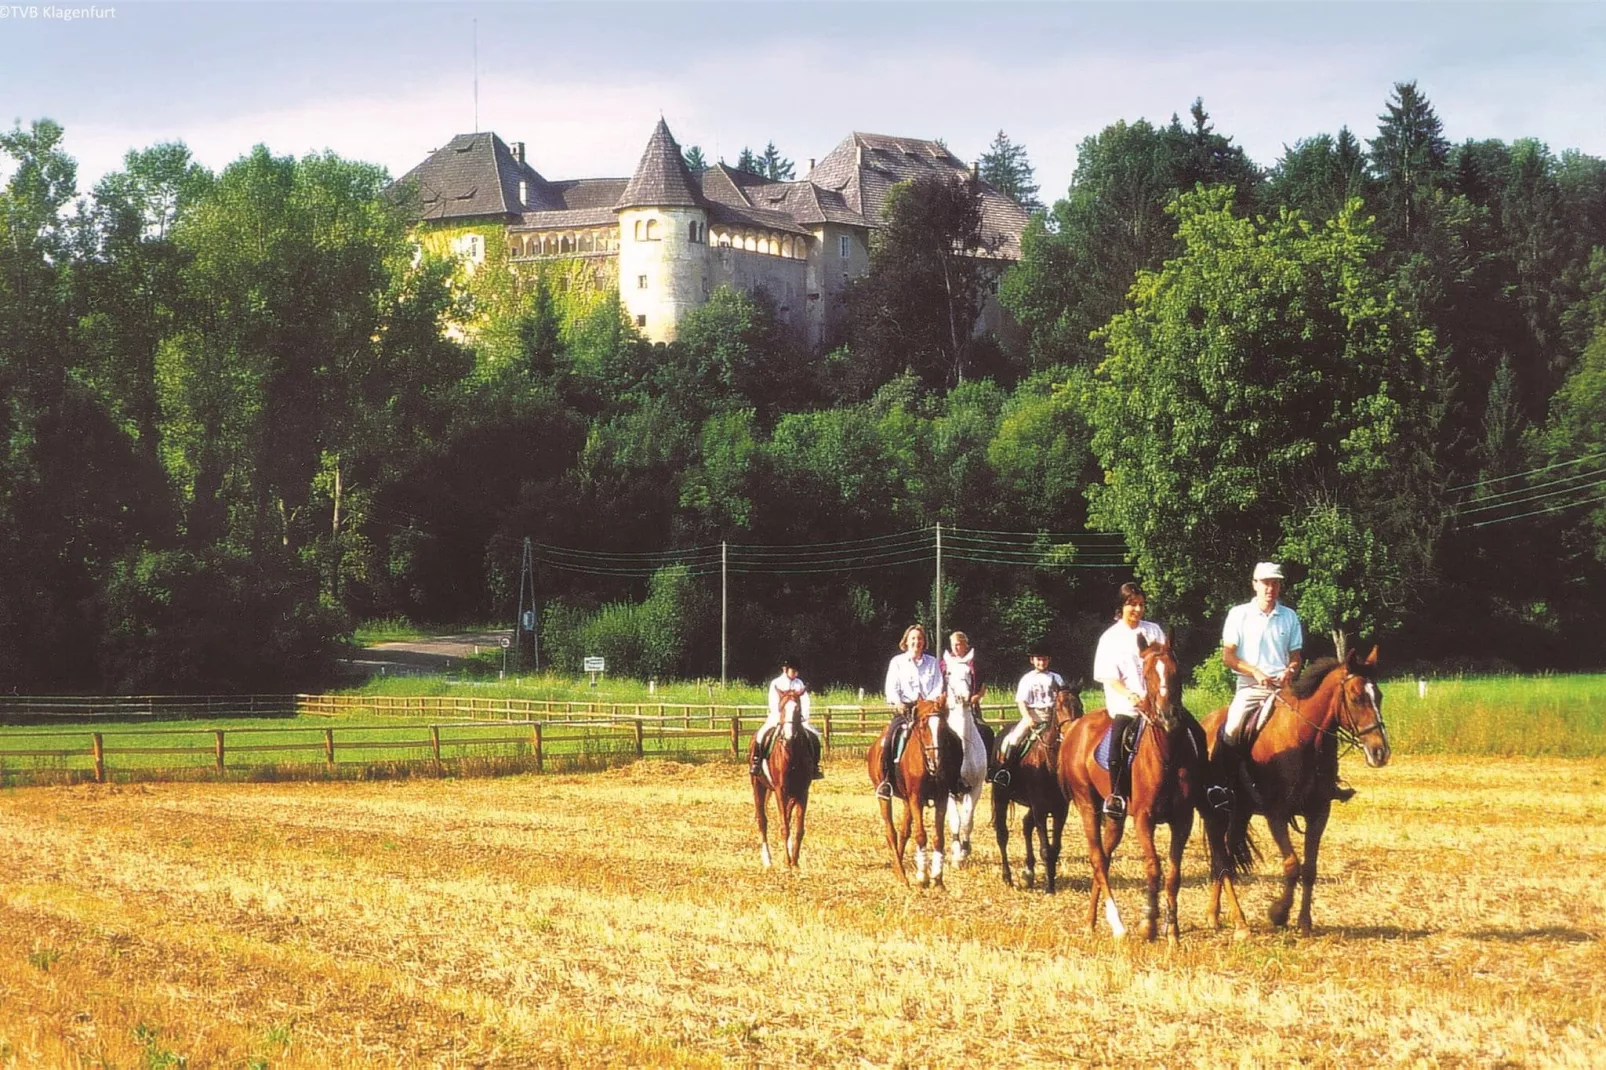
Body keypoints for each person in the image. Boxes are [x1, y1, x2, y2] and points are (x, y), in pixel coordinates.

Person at [1092, 582, 1166, 819]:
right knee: (1118, 745)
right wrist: (1130, 695)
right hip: (1127, 704)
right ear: (1121, 606)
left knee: (1192, 730)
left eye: (1141, 604)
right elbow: (1109, 677)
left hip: (1157, 702)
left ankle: (1204, 785)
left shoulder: (1153, 630)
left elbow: (1165, 662)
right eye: (1132, 604)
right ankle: (1116, 796)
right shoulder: (1110, 638)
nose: (1137, 609)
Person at [877, 623, 945, 799]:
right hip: (905, 710)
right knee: (889, 739)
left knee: (949, 736)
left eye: (920, 638)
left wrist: (928, 704)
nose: (917, 642)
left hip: (928, 710)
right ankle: (886, 781)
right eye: (913, 638)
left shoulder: (932, 662)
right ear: (906, 641)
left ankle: (955, 779)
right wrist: (897, 702)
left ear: (924, 642)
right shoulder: (897, 662)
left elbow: (938, 685)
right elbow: (891, 687)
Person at [992, 647, 1065, 787]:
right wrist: (1027, 718)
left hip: (1053, 718)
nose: (1042, 662)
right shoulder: (1027, 678)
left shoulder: (1057, 678)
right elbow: (1021, 701)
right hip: (1033, 715)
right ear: (1032, 660)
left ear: (1049, 660)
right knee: (1013, 739)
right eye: (1039, 659)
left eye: (1044, 659)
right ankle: (1005, 771)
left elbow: (1063, 700)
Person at [749, 655, 823, 779]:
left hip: (797, 719)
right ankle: (757, 762)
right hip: (778, 718)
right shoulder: (776, 683)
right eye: (793, 671)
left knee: (814, 737)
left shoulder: (799, 683)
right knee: (761, 735)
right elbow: (773, 702)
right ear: (785, 669)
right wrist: (781, 718)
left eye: (796, 671)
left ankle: (815, 766)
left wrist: (803, 716)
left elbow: (805, 701)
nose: (795, 673)